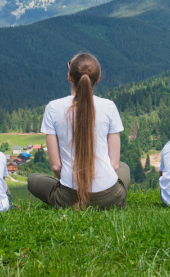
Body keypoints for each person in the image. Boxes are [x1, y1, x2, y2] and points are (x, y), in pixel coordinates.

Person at [27, 53, 130, 209]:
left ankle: (73, 200)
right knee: (123, 167)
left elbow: (56, 166)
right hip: (109, 197)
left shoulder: (53, 108)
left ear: (69, 77)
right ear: (97, 79)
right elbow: (114, 164)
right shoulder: (109, 106)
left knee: (33, 179)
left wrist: (71, 184)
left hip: (69, 196)